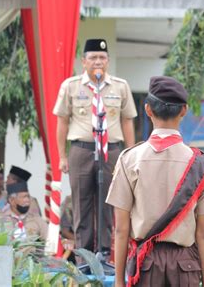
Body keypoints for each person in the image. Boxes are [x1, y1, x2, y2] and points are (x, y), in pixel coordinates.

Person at [106, 76, 204, 287]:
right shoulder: (202, 164)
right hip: (185, 266)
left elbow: (121, 229)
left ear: (148, 110)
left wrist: (118, 282)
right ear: (184, 110)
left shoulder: (129, 159)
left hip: (145, 265)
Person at [54, 38, 137, 253]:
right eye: (93, 57)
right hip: (82, 150)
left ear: (108, 60)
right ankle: (84, 258)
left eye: (102, 57)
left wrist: (130, 155)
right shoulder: (71, 86)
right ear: (84, 61)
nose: (98, 61)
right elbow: (62, 121)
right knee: (82, 205)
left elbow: (127, 121)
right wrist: (62, 156)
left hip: (112, 151)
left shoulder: (120, 86)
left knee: (108, 205)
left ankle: (105, 254)